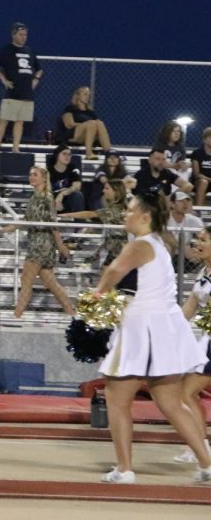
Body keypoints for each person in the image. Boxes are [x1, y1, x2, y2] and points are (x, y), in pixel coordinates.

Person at [93, 191, 211, 484]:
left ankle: (124, 469)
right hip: (165, 327)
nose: (125, 214)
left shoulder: (142, 244)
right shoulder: (159, 242)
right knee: (171, 403)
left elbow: (114, 270)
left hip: (141, 327)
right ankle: (208, 465)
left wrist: (97, 298)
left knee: (116, 398)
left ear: (144, 217)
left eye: (130, 210)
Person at [11, 167, 74, 318]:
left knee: (26, 279)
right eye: (30, 174)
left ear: (43, 178)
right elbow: (26, 221)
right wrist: (4, 228)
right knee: (50, 282)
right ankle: (72, 313)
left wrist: (61, 246)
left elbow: (53, 224)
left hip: (42, 245)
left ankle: (16, 315)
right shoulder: (34, 198)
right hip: (37, 243)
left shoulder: (46, 197)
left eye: (35, 174)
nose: (31, 177)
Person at [175, 228, 211, 465]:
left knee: (186, 392)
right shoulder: (203, 272)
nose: (198, 243)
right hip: (207, 341)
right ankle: (200, 446)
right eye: (198, 239)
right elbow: (189, 307)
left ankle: (201, 447)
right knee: (186, 392)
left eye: (204, 240)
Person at [0, 21, 42, 153]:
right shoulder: (6, 50)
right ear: (14, 35)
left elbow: (39, 69)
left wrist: (35, 80)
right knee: (4, 120)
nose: (24, 37)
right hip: (12, 92)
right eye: (21, 34)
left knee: (20, 121)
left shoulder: (29, 51)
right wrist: (3, 79)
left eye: (25, 35)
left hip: (26, 93)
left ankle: (15, 148)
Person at [63, 179, 130, 273]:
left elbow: (90, 214)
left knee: (107, 274)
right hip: (112, 247)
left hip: (118, 250)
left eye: (107, 188)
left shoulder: (116, 210)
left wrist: (67, 215)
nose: (103, 191)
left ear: (116, 192)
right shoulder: (118, 208)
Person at [58, 86, 111, 160]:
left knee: (100, 123)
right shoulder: (70, 108)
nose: (88, 97)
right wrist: (86, 124)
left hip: (89, 136)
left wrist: (90, 124)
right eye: (85, 94)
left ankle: (109, 153)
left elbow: (97, 125)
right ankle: (88, 153)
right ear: (78, 95)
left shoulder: (90, 112)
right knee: (92, 123)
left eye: (89, 95)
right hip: (74, 135)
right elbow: (69, 124)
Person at [167, 191, 203, 272]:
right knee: (168, 246)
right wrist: (184, 250)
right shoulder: (165, 218)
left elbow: (205, 235)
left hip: (186, 256)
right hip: (170, 254)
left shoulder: (193, 219)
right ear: (172, 204)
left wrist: (197, 250)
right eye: (181, 201)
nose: (185, 204)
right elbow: (167, 236)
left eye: (187, 201)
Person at [47, 144, 85, 213]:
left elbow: (77, 186)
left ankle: (79, 221)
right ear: (57, 156)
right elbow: (47, 190)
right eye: (64, 154)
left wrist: (62, 194)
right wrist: (54, 201)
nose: (67, 156)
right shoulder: (48, 171)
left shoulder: (73, 169)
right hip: (52, 200)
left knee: (78, 195)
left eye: (69, 155)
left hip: (67, 199)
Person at [191, 127, 211, 206]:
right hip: (199, 181)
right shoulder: (197, 153)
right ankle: (198, 211)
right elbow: (196, 174)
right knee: (203, 182)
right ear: (205, 140)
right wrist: (209, 179)